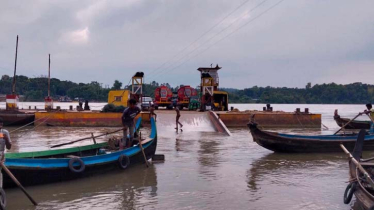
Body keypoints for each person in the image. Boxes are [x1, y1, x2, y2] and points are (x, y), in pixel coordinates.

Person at [0, 117, 12, 189]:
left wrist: (6, 139)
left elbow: (9, 147)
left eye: (1, 124)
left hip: (1, 156)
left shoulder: (5, 132)